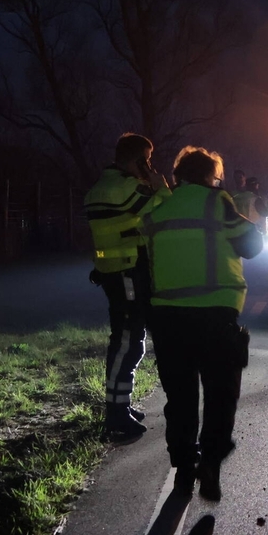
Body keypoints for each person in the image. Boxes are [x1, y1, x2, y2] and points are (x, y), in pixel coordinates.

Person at [144, 146, 263, 500]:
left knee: (179, 398)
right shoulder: (217, 203)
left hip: (167, 318)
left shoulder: (160, 207)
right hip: (216, 315)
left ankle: (183, 468)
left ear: (178, 176)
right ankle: (210, 463)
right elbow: (252, 245)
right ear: (211, 177)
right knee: (220, 396)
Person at [84, 133, 170, 438]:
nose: (149, 165)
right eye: (147, 159)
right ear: (137, 160)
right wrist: (161, 186)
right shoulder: (125, 188)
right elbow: (165, 211)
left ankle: (121, 404)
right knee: (127, 342)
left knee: (129, 339)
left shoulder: (101, 186)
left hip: (114, 272)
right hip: (126, 274)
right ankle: (116, 415)